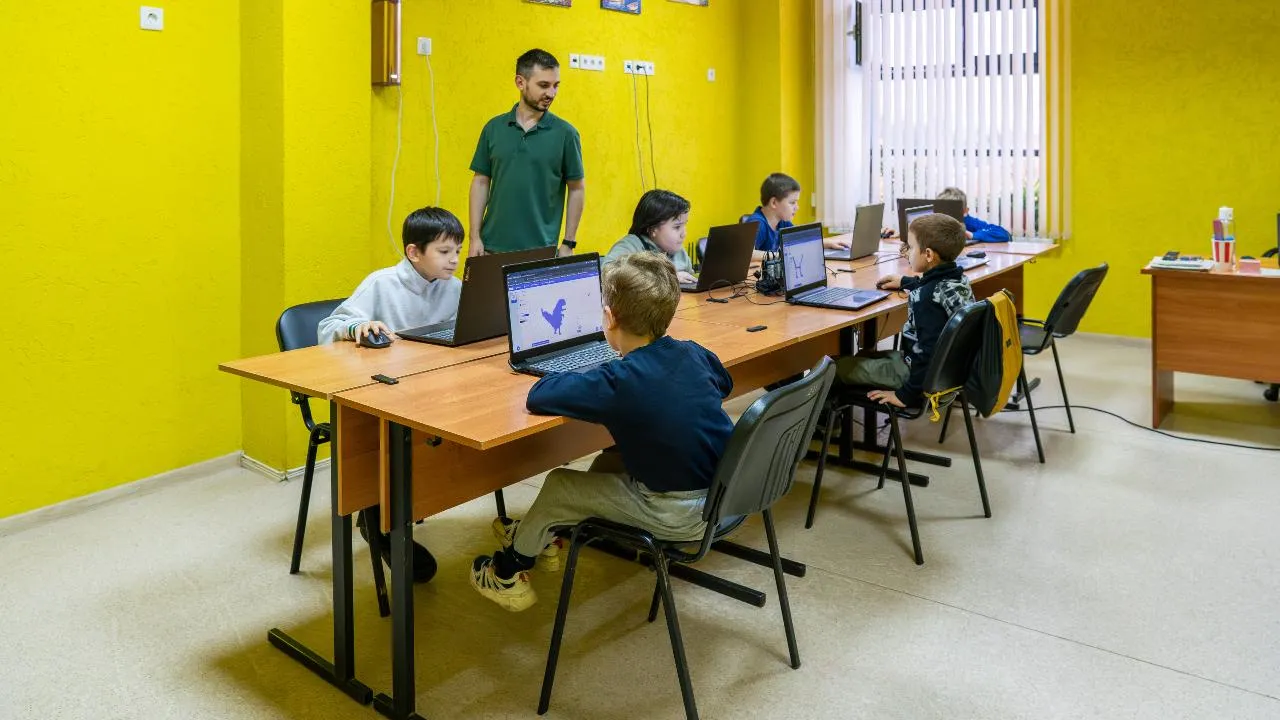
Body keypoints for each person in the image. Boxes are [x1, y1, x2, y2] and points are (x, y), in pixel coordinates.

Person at [469, 253, 735, 611]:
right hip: (723, 494)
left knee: (560, 484)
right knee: (609, 460)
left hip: (678, 515)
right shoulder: (692, 353)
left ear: (608, 318)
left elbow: (539, 396)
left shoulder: (619, 380)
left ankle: (507, 572)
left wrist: (580, 371)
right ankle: (542, 530)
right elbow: (725, 383)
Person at [316, 206, 465, 583]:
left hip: (430, 389)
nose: (454, 260)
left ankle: (404, 505)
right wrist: (356, 327)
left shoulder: (454, 287)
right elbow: (328, 327)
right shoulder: (381, 284)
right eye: (444, 251)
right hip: (383, 394)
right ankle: (378, 520)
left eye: (457, 251)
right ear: (414, 252)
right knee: (384, 442)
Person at [837, 213, 975, 409]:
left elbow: (928, 354)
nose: (906, 252)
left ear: (928, 255)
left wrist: (904, 396)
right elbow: (937, 285)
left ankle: (826, 420)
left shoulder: (926, 298)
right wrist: (906, 281)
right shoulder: (959, 281)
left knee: (836, 367)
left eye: (910, 247)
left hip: (918, 380)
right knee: (862, 356)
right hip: (950, 377)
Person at [468, 49, 585, 258]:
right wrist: (474, 237)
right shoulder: (493, 128)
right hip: (491, 248)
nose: (551, 93)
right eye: (544, 85)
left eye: (556, 85)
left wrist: (568, 242)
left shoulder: (567, 134)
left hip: (541, 252)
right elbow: (480, 182)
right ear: (520, 82)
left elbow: (577, 189)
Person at [743, 172, 848, 260]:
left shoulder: (782, 222)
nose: (797, 207)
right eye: (792, 202)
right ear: (774, 202)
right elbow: (747, 254)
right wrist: (781, 256)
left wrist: (827, 243)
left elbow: (800, 240)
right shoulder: (758, 224)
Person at [603, 189, 696, 285]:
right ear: (653, 229)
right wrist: (669, 278)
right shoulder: (630, 246)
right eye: (677, 227)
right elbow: (608, 275)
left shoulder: (678, 251)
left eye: (684, 225)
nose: (684, 233)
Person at [937, 186, 1012, 243]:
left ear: (965, 212)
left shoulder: (969, 222)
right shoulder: (935, 222)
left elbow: (1004, 234)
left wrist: (972, 235)